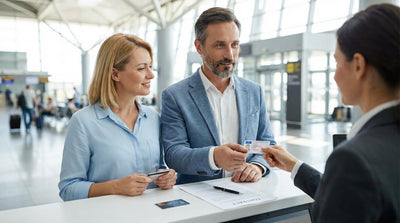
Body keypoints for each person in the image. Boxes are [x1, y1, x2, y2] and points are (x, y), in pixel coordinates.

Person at [262, 4, 400, 222]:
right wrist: (295, 166)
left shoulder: (354, 158)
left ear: (358, 65)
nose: (334, 77)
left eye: (336, 62)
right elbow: (354, 199)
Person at [161, 7, 276, 185]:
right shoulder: (176, 96)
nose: (229, 55)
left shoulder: (254, 92)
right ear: (199, 47)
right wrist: (213, 157)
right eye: (219, 45)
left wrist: (257, 166)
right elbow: (174, 154)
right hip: (199, 198)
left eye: (234, 45)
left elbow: (265, 143)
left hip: (250, 193)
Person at [59, 33, 177, 201]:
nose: (151, 75)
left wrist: (166, 177)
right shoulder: (83, 122)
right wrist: (115, 187)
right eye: (141, 68)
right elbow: (68, 188)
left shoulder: (152, 118)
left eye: (150, 67)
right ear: (115, 74)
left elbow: (158, 167)